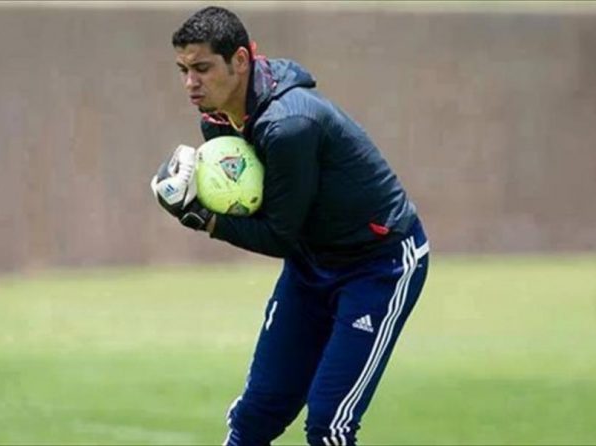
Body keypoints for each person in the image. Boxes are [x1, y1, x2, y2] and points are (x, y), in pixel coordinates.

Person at [151, 6, 430, 446]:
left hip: (379, 266)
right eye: (183, 70)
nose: (190, 83)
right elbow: (260, 211)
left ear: (239, 60)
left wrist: (202, 217)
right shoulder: (217, 122)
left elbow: (277, 235)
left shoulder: (289, 125)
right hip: (310, 264)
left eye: (202, 68)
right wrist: (195, 191)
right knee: (254, 418)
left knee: (329, 426)